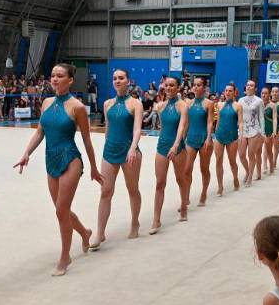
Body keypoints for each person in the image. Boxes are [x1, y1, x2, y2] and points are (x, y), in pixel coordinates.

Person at [15, 64, 103, 276]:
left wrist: (92, 167)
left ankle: (65, 256)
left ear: (70, 80)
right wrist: (27, 153)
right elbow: (40, 132)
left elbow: (87, 140)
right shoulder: (46, 102)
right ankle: (84, 232)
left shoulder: (77, 107)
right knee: (61, 209)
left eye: (60, 76)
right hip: (50, 159)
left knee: (60, 210)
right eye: (53, 75)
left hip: (70, 159)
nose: (54, 79)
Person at [90, 69, 143, 250]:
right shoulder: (107, 104)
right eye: (115, 78)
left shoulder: (135, 104)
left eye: (121, 78)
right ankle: (100, 232)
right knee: (105, 191)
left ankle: (135, 222)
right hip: (110, 151)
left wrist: (133, 148)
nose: (117, 81)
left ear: (128, 81)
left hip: (129, 151)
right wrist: (107, 146)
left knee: (132, 189)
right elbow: (108, 128)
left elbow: (137, 129)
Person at [149, 76, 189, 234]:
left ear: (178, 87)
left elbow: (181, 127)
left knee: (180, 179)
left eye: (172, 85)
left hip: (177, 147)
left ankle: (184, 207)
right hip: (162, 146)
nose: (169, 88)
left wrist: (176, 145)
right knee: (160, 183)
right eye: (167, 85)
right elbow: (162, 127)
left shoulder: (183, 106)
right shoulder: (160, 106)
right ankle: (156, 219)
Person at [183, 77, 214, 208]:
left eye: (199, 85)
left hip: (204, 139)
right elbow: (186, 123)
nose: (196, 87)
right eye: (194, 85)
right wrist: (182, 139)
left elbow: (209, 122)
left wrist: (208, 137)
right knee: (186, 170)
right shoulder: (188, 103)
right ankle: (186, 197)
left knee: (204, 169)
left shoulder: (208, 103)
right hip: (190, 139)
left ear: (204, 87)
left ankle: (204, 193)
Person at [213, 84, 242, 196]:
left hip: (232, 136)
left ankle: (235, 178)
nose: (228, 92)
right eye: (226, 90)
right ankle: (220, 186)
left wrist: (241, 134)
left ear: (234, 92)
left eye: (230, 90)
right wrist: (215, 134)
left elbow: (240, 122)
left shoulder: (238, 106)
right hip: (219, 135)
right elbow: (218, 121)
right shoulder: (219, 105)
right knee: (218, 161)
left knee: (232, 161)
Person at [237, 80, 264, 186]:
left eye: (251, 85)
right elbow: (238, 115)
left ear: (255, 88)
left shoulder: (259, 101)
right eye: (247, 85)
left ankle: (250, 177)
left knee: (251, 154)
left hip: (255, 129)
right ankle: (248, 171)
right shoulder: (240, 100)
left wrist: (263, 132)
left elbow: (261, 116)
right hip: (243, 130)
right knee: (241, 154)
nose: (249, 87)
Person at [263, 86, 279, 175]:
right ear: (270, 93)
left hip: (277, 126)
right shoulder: (266, 103)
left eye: (276, 91)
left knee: (275, 145)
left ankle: (274, 161)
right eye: (273, 91)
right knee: (266, 146)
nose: (274, 93)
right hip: (267, 125)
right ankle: (264, 165)